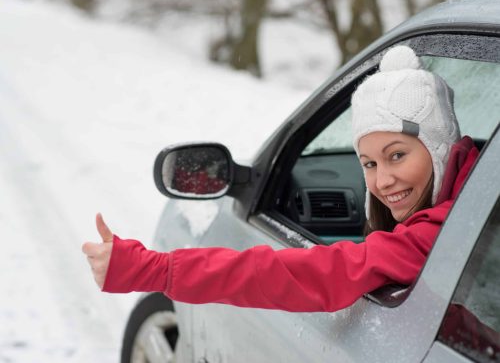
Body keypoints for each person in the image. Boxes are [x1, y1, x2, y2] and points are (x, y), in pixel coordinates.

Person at [82, 46, 479, 312]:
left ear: (439, 146)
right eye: (370, 164)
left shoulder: (436, 235)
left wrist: (156, 270)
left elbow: (297, 274)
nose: (384, 180)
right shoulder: (479, 190)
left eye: (397, 155)